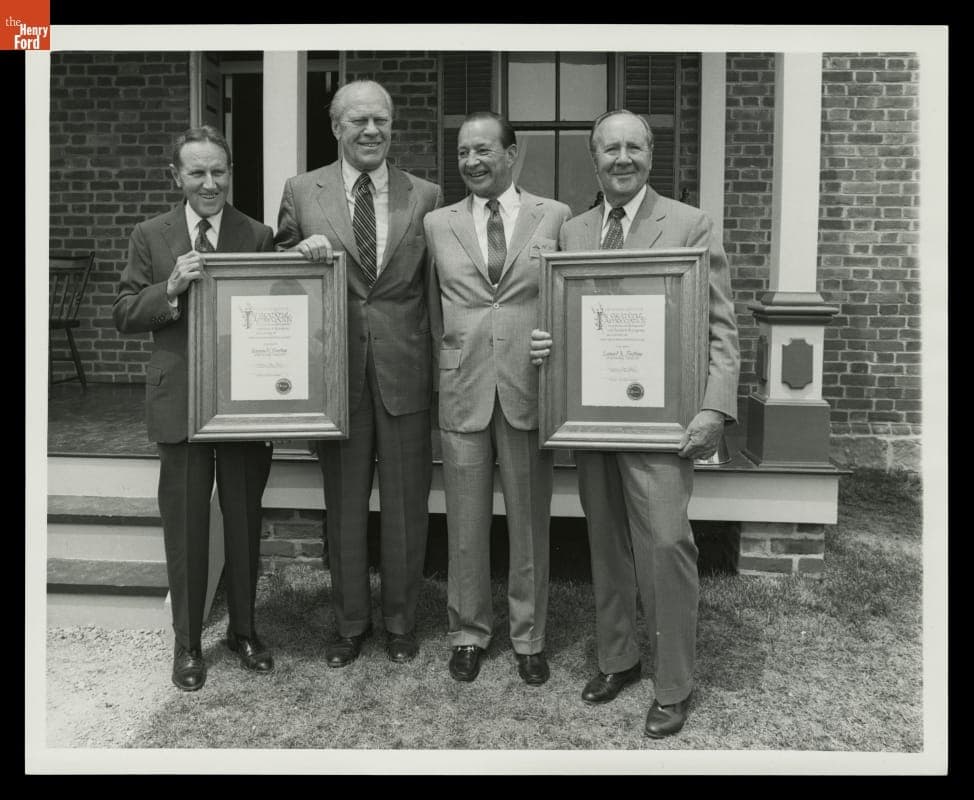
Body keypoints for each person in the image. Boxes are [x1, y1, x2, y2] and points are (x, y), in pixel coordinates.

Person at [530, 109, 740, 737]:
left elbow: (721, 327)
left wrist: (714, 405)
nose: (622, 159)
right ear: (593, 159)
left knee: (667, 543)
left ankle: (674, 683)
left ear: (651, 155)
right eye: (609, 149)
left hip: (662, 419)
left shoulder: (689, 223)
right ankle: (617, 657)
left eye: (634, 148)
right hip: (593, 417)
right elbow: (567, 317)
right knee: (606, 542)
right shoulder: (574, 231)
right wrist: (547, 347)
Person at [274, 80, 442, 666]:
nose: (372, 131)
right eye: (359, 121)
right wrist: (296, 254)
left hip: (406, 371)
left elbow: (435, 292)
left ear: (392, 126)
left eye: (382, 120)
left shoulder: (426, 195)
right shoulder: (301, 190)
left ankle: (400, 622)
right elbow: (276, 277)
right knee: (344, 505)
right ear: (336, 127)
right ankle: (349, 624)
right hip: (335, 378)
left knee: (405, 507)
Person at [113, 125, 276, 692]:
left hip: (241, 403)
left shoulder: (256, 234)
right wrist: (170, 289)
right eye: (198, 173)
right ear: (176, 177)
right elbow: (125, 312)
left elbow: (282, 307)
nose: (210, 183)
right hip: (178, 400)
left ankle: (245, 631)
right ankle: (187, 645)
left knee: (244, 521)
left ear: (230, 174)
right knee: (184, 528)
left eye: (219, 172)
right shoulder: (150, 235)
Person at [424, 112, 571, 685]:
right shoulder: (438, 223)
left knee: (529, 520)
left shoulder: (554, 215)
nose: (472, 162)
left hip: (528, 387)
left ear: (513, 154)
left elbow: (568, 295)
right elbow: (426, 305)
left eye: (483, 150)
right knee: (463, 521)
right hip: (462, 385)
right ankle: (468, 633)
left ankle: (529, 637)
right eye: (463, 153)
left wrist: (554, 341)